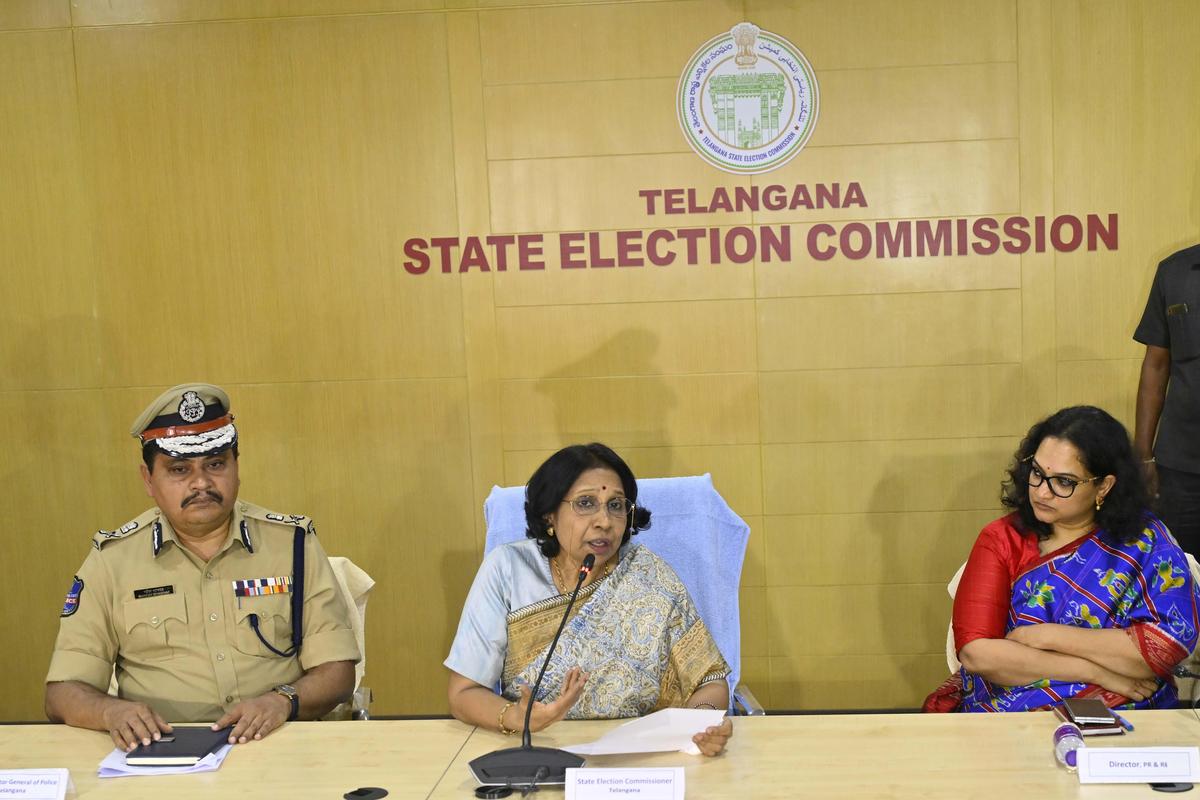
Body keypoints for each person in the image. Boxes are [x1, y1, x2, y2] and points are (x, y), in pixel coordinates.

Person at [45, 384, 360, 751]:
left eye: (215, 464)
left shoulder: (292, 544)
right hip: (163, 750)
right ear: (148, 479)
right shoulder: (112, 560)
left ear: (236, 466)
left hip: (278, 741)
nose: (201, 483)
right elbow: (63, 691)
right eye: (179, 469)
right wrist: (111, 713)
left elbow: (337, 672)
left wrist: (282, 700)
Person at [445, 443, 733, 755]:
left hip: (641, 756)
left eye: (616, 505)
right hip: (537, 749)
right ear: (549, 515)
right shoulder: (508, 570)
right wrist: (515, 716)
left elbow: (710, 681)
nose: (605, 522)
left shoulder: (650, 576)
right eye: (586, 503)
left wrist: (702, 721)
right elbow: (464, 693)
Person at [924, 405, 1200, 713]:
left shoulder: (1146, 542)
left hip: (1127, 712)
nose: (1042, 492)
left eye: (1064, 482)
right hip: (1016, 713)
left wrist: (1044, 635)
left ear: (1104, 486)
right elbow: (978, 654)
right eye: (1038, 473)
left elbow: (1159, 652)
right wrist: (1095, 672)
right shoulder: (1002, 540)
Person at [1134, 242, 1200, 558]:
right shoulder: (1174, 272)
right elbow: (1156, 366)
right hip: (1182, 470)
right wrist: (1144, 455)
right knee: (1179, 573)